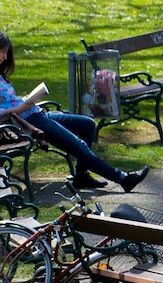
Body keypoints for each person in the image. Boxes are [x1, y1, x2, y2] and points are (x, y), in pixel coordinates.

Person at [0, 32, 148, 193]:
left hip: (35, 113)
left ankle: (81, 175)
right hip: (28, 122)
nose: (5, 57)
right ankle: (123, 178)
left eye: (7, 52)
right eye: (2, 51)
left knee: (88, 125)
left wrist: (25, 99)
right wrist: (18, 109)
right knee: (78, 145)